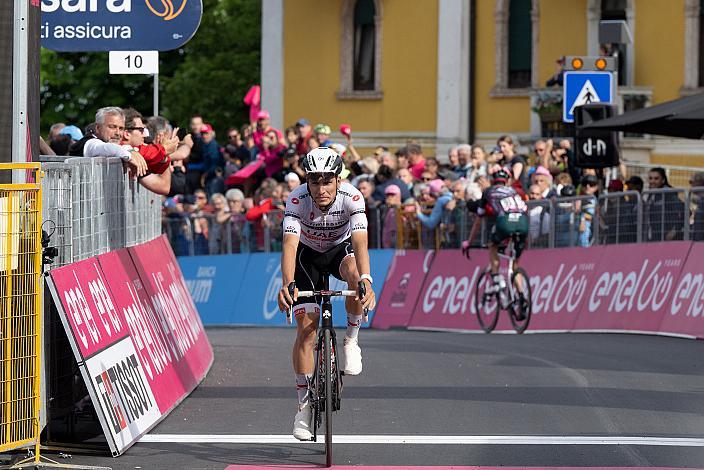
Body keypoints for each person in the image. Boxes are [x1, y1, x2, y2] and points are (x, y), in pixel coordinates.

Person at [277, 146, 376, 441]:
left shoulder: (352, 197)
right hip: (306, 256)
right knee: (306, 329)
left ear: (338, 180)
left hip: (339, 252)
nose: (321, 188)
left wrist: (367, 280)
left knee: (356, 278)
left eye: (327, 180)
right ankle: (304, 408)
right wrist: (287, 283)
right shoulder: (297, 199)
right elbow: (289, 245)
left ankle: (351, 341)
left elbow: (360, 243)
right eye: (315, 180)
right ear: (307, 181)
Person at [462, 167, 529, 312]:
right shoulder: (513, 191)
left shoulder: (488, 192)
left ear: (492, 181)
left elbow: (479, 219)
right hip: (523, 223)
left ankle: (497, 279)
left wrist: (469, 242)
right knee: (515, 265)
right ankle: (522, 297)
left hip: (505, 222)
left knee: (492, 246)